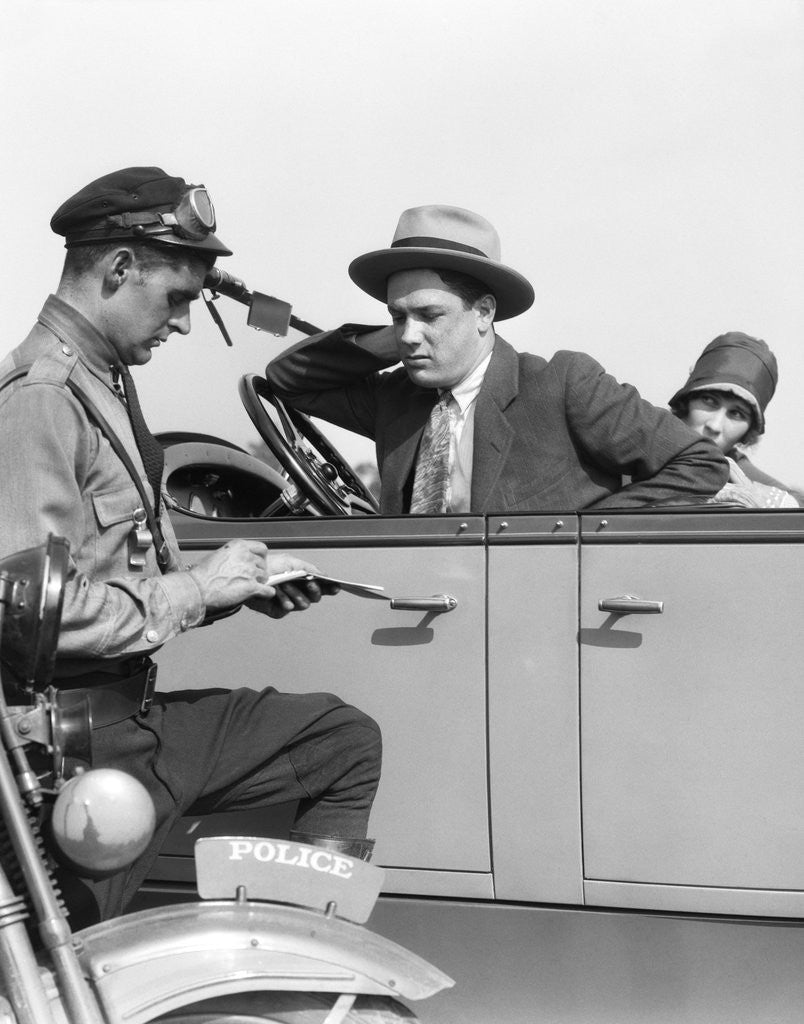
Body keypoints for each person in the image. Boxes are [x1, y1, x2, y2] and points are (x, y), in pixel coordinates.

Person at [0, 167, 381, 925]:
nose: (180, 322)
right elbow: (26, 618)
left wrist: (233, 592)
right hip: (76, 746)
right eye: (177, 297)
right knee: (62, 967)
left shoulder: (104, 382)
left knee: (340, 741)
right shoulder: (41, 399)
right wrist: (197, 590)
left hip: (132, 719)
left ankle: (291, 968)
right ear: (118, 269)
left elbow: (120, 571)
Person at [266, 205, 727, 514]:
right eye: (397, 316)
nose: (410, 334)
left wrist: (585, 534)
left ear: (484, 312)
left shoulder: (563, 383)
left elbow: (697, 464)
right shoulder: (397, 398)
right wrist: (397, 338)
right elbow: (288, 379)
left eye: (430, 314)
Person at [668, 332, 801, 508]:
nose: (714, 426)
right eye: (709, 401)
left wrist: (762, 500)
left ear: (748, 432)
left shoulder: (733, 467)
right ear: (687, 401)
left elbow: (796, 507)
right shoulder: (640, 439)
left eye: (736, 414)